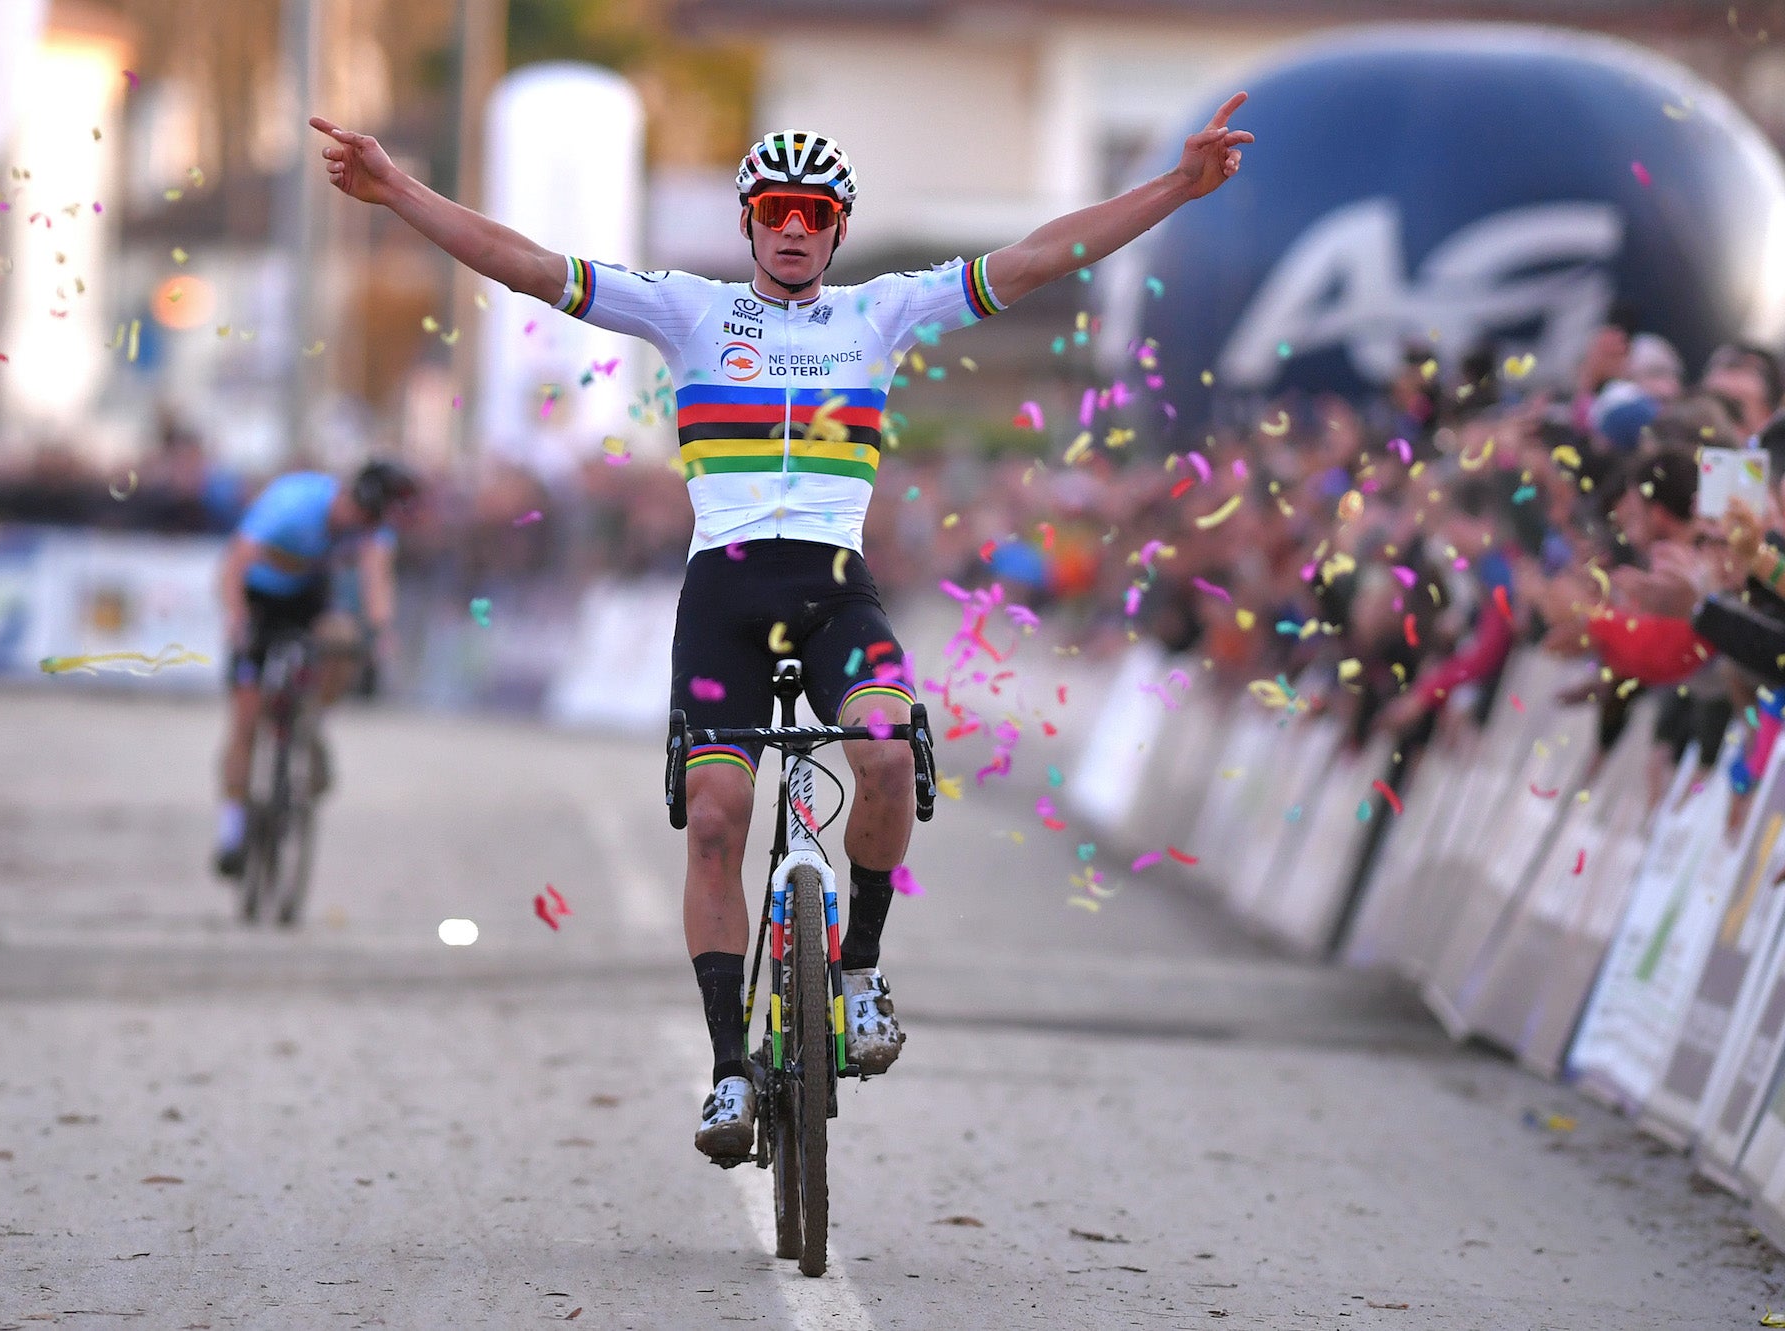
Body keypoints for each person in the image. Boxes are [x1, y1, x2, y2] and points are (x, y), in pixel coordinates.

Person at [309, 96, 1253, 1161]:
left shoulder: (883, 312)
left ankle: (855, 967)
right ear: (749, 221)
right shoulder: (686, 310)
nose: (793, 227)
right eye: (774, 210)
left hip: (833, 590)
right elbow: (527, 264)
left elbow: (1035, 259)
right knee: (716, 816)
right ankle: (725, 1070)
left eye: (813, 212)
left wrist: (1175, 186)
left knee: (886, 757)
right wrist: (395, 191)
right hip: (723, 595)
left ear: (836, 228)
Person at [212, 458, 419, 876]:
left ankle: (310, 721)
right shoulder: (293, 502)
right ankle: (232, 830)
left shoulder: (372, 523)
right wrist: (236, 618)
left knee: (342, 641)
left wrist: (381, 631)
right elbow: (235, 563)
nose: (357, 527)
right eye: (356, 517)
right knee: (246, 720)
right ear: (345, 496)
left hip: (308, 597)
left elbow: (375, 577)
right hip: (260, 597)